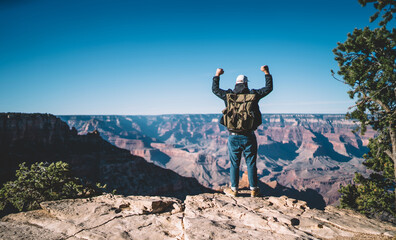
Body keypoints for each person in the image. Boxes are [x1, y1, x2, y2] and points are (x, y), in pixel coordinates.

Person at [212, 65, 273, 197]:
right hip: (249, 136)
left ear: (236, 83)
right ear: (246, 83)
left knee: (234, 163)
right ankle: (254, 189)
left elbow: (215, 90)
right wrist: (266, 72)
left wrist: (217, 75)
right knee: (251, 162)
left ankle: (234, 190)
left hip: (233, 136)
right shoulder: (253, 95)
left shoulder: (228, 96)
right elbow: (269, 88)